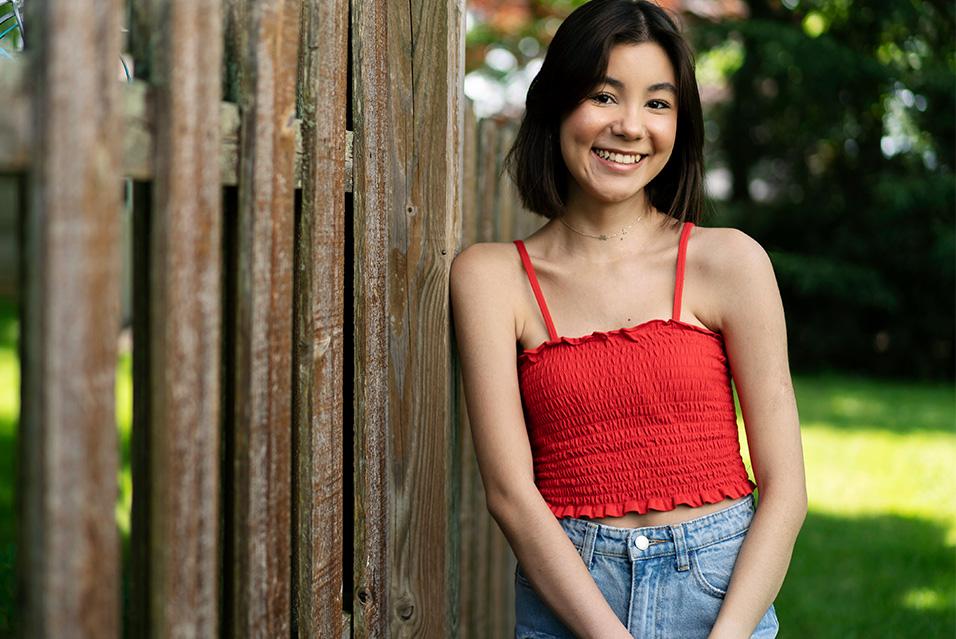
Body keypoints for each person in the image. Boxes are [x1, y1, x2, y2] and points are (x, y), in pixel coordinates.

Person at [449, 1, 807, 637]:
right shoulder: (491, 278)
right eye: (605, 96)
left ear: (681, 124)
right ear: (559, 104)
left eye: (658, 103)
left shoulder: (730, 262)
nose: (630, 126)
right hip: (571, 601)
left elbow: (785, 491)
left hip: (721, 597)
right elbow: (509, 494)